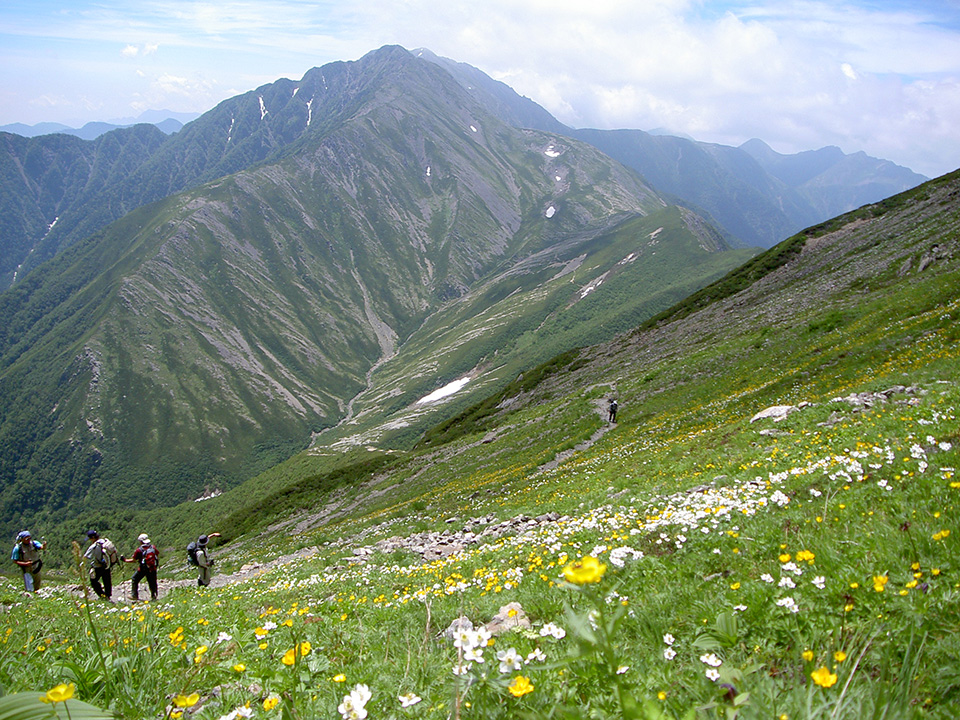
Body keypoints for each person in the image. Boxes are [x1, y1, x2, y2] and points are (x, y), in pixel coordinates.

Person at [122, 533, 159, 601]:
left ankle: (134, 595)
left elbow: (133, 560)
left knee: (134, 579)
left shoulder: (139, 550)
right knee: (152, 582)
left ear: (141, 541)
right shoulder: (153, 547)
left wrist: (125, 560)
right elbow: (157, 554)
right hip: (152, 568)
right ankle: (154, 596)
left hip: (143, 569)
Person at [83, 530, 114, 601]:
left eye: (90, 539)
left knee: (93, 581)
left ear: (93, 538)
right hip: (107, 565)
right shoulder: (105, 542)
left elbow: (86, 557)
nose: (90, 540)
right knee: (107, 580)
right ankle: (108, 595)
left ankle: (102, 596)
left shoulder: (93, 546)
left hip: (98, 566)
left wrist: (81, 565)